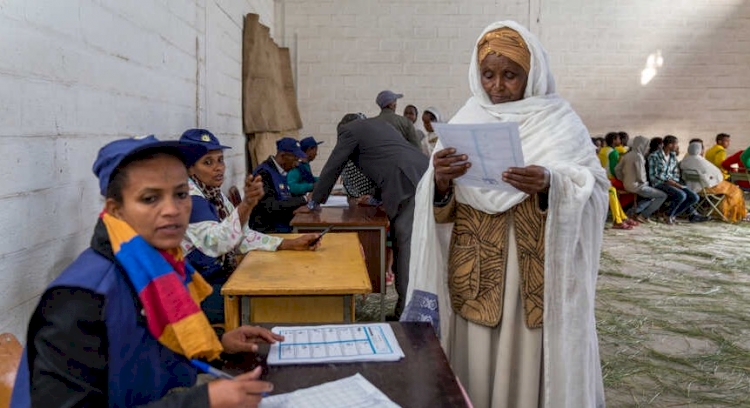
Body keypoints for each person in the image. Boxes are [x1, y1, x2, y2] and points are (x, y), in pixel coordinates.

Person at [401, 21, 607, 408]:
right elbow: (440, 210)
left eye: (510, 75)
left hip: (532, 279)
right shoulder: (465, 119)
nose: (497, 86)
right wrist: (441, 183)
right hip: (475, 277)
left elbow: (594, 189)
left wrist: (551, 183)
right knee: (474, 369)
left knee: (527, 367)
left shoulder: (559, 121)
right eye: (489, 74)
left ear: (532, 75)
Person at [11, 136, 282, 408]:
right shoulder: (79, 297)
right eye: (150, 198)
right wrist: (202, 401)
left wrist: (220, 346)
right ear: (115, 209)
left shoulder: (160, 267)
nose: (172, 210)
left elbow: (146, 355)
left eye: (181, 195)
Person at [179, 129, 320, 324]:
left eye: (220, 160)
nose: (219, 168)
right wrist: (246, 205)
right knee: (270, 305)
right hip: (195, 293)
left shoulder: (213, 194)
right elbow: (218, 243)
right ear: (189, 168)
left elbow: (240, 236)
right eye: (208, 162)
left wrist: (288, 244)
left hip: (218, 278)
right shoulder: (189, 198)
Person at [309, 114, 429, 319]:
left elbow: (333, 164)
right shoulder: (378, 127)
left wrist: (316, 200)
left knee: (404, 244)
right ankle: (408, 309)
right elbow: (386, 162)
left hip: (407, 182)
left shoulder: (349, 131)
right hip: (422, 172)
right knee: (414, 246)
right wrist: (375, 198)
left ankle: (406, 315)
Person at [249, 137, 309, 232]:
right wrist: (304, 199)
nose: (297, 164)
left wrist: (298, 205)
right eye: (295, 159)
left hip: (282, 224)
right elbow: (270, 207)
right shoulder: (263, 174)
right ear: (283, 155)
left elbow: (284, 198)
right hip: (268, 231)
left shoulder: (280, 172)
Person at [680, 142, 747, 222]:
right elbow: (717, 174)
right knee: (735, 190)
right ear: (699, 150)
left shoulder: (685, 160)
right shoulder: (700, 161)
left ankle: (723, 212)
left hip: (691, 187)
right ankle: (732, 214)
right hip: (704, 188)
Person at [648, 135, 708, 224]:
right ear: (669, 145)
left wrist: (676, 182)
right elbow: (658, 175)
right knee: (681, 195)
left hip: (672, 182)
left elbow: (675, 172)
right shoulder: (655, 156)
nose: (677, 146)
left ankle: (670, 214)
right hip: (659, 182)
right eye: (676, 144)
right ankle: (669, 215)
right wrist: (675, 184)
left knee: (694, 197)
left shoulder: (672, 156)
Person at [615, 136, 668, 223]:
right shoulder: (638, 157)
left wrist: (623, 179)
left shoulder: (627, 155)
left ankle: (633, 211)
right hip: (637, 186)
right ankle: (644, 215)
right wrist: (645, 183)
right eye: (646, 145)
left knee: (651, 196)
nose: (647, 148)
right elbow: (641, 175)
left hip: (627, 184)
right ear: (641, 145)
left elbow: (617, 169)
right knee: (662, 195)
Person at [598, 132, 637, 229]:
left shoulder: (603, 150)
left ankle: (621, 217)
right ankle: (618, 219)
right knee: (631, 189)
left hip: (602, 179)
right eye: (618, 139)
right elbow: (613, 169)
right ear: (614, 140)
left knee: (614, 192)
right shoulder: (613, 152)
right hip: (610, 179)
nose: (620, 141)